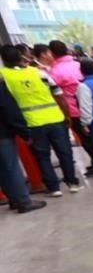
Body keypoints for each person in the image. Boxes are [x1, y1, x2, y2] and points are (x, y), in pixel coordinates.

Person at [0, 44, 79, 196]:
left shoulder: (3, 77)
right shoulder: (39, 72)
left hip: (32, 123)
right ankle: (72, 183)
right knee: (65, 152)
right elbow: (59, 94)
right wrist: (67, 115)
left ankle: (54, 188)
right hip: (55, 118)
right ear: (20, 57)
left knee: (42, 157)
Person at [46, 40, 93, 177]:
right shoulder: (79, 64)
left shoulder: (55, 72)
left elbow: (55, 93)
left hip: (73, 109)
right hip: (91, 105)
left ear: (52, 53)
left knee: (85, 139)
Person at [0, 78, 46, 213]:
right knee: (11, 167)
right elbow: (8, 110)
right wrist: (25, 132)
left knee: (2, 170)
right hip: (2, 134)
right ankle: (24, 201)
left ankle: (14, 199)